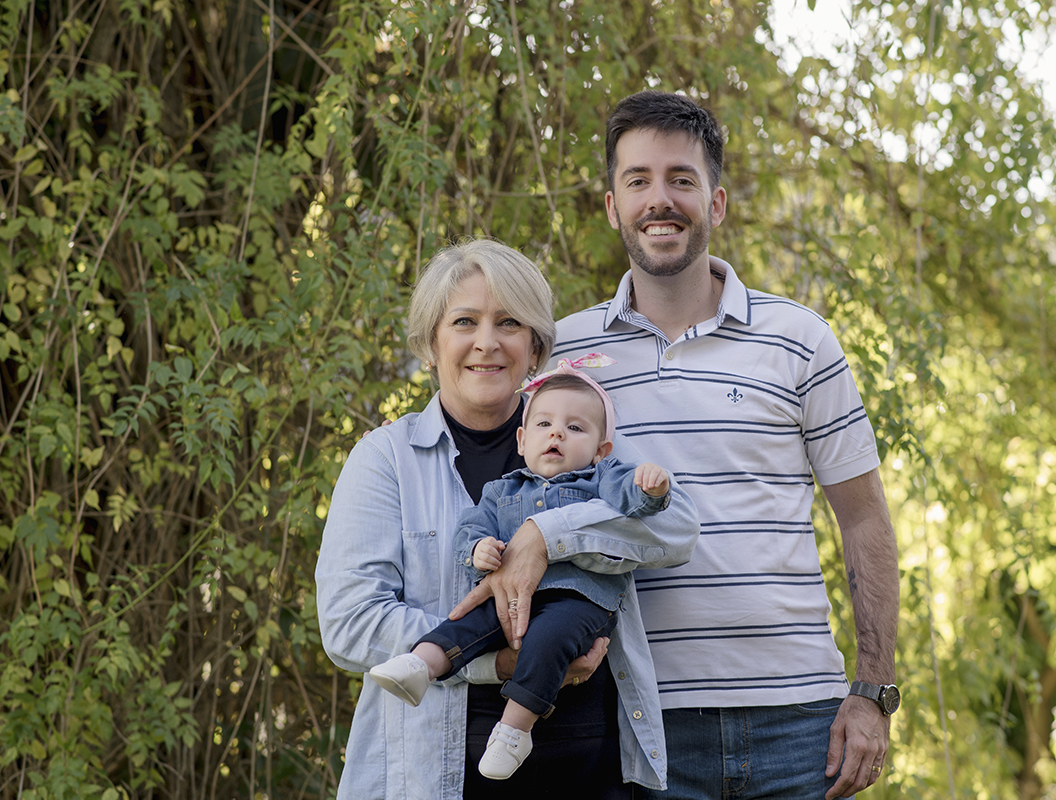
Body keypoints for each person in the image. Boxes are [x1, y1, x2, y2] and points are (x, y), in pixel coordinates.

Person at [453, 92, 900, 799]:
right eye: (638, 181)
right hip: (638, 722)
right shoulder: (565, 353)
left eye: (681, 180)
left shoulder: (800, 340)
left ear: (716, 203)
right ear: (611, 206)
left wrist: (873, 691)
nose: (660, 200)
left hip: (800, 724)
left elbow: (866, 520)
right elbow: (508, 490)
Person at [315, 238, 699, 799]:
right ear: (431, 343)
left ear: (536, 348)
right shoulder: (386, 460)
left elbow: (676, 527)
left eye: (510, 323)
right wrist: (497, 662)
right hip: (439, 772)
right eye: (465, 322)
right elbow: (350, 623)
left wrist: (547, 535)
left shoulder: (578, 434)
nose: (487, 343)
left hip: (589, 769)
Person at [367, 358, 676, 781]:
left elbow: (636, 504)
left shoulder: (601, 477)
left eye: (575, 428)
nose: (557, 434)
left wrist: (651, 487)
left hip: (579, 600)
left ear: (602, 449)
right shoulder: (503, 489)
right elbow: (470, 527)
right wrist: (478, 549)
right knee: (467, 620)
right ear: (522, 438)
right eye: (545, 424)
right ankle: (421, 665)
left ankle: (514, 730)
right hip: (510, 595)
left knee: (549, 639)